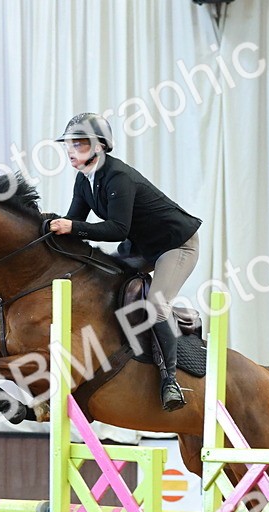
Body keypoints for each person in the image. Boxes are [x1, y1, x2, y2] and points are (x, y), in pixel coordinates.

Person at [47, 113, 201, 412]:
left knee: (156, 306)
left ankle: (170, 381)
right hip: (142, 245)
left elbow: (117, 229)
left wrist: (71, 227)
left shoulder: (119, 177)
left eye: (78, 144)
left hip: (176, 245)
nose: (70, 151)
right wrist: (48, 227)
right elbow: (74, 221)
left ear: (99, 146)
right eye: (69, 145)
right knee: (99, 275)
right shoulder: (85, 179)